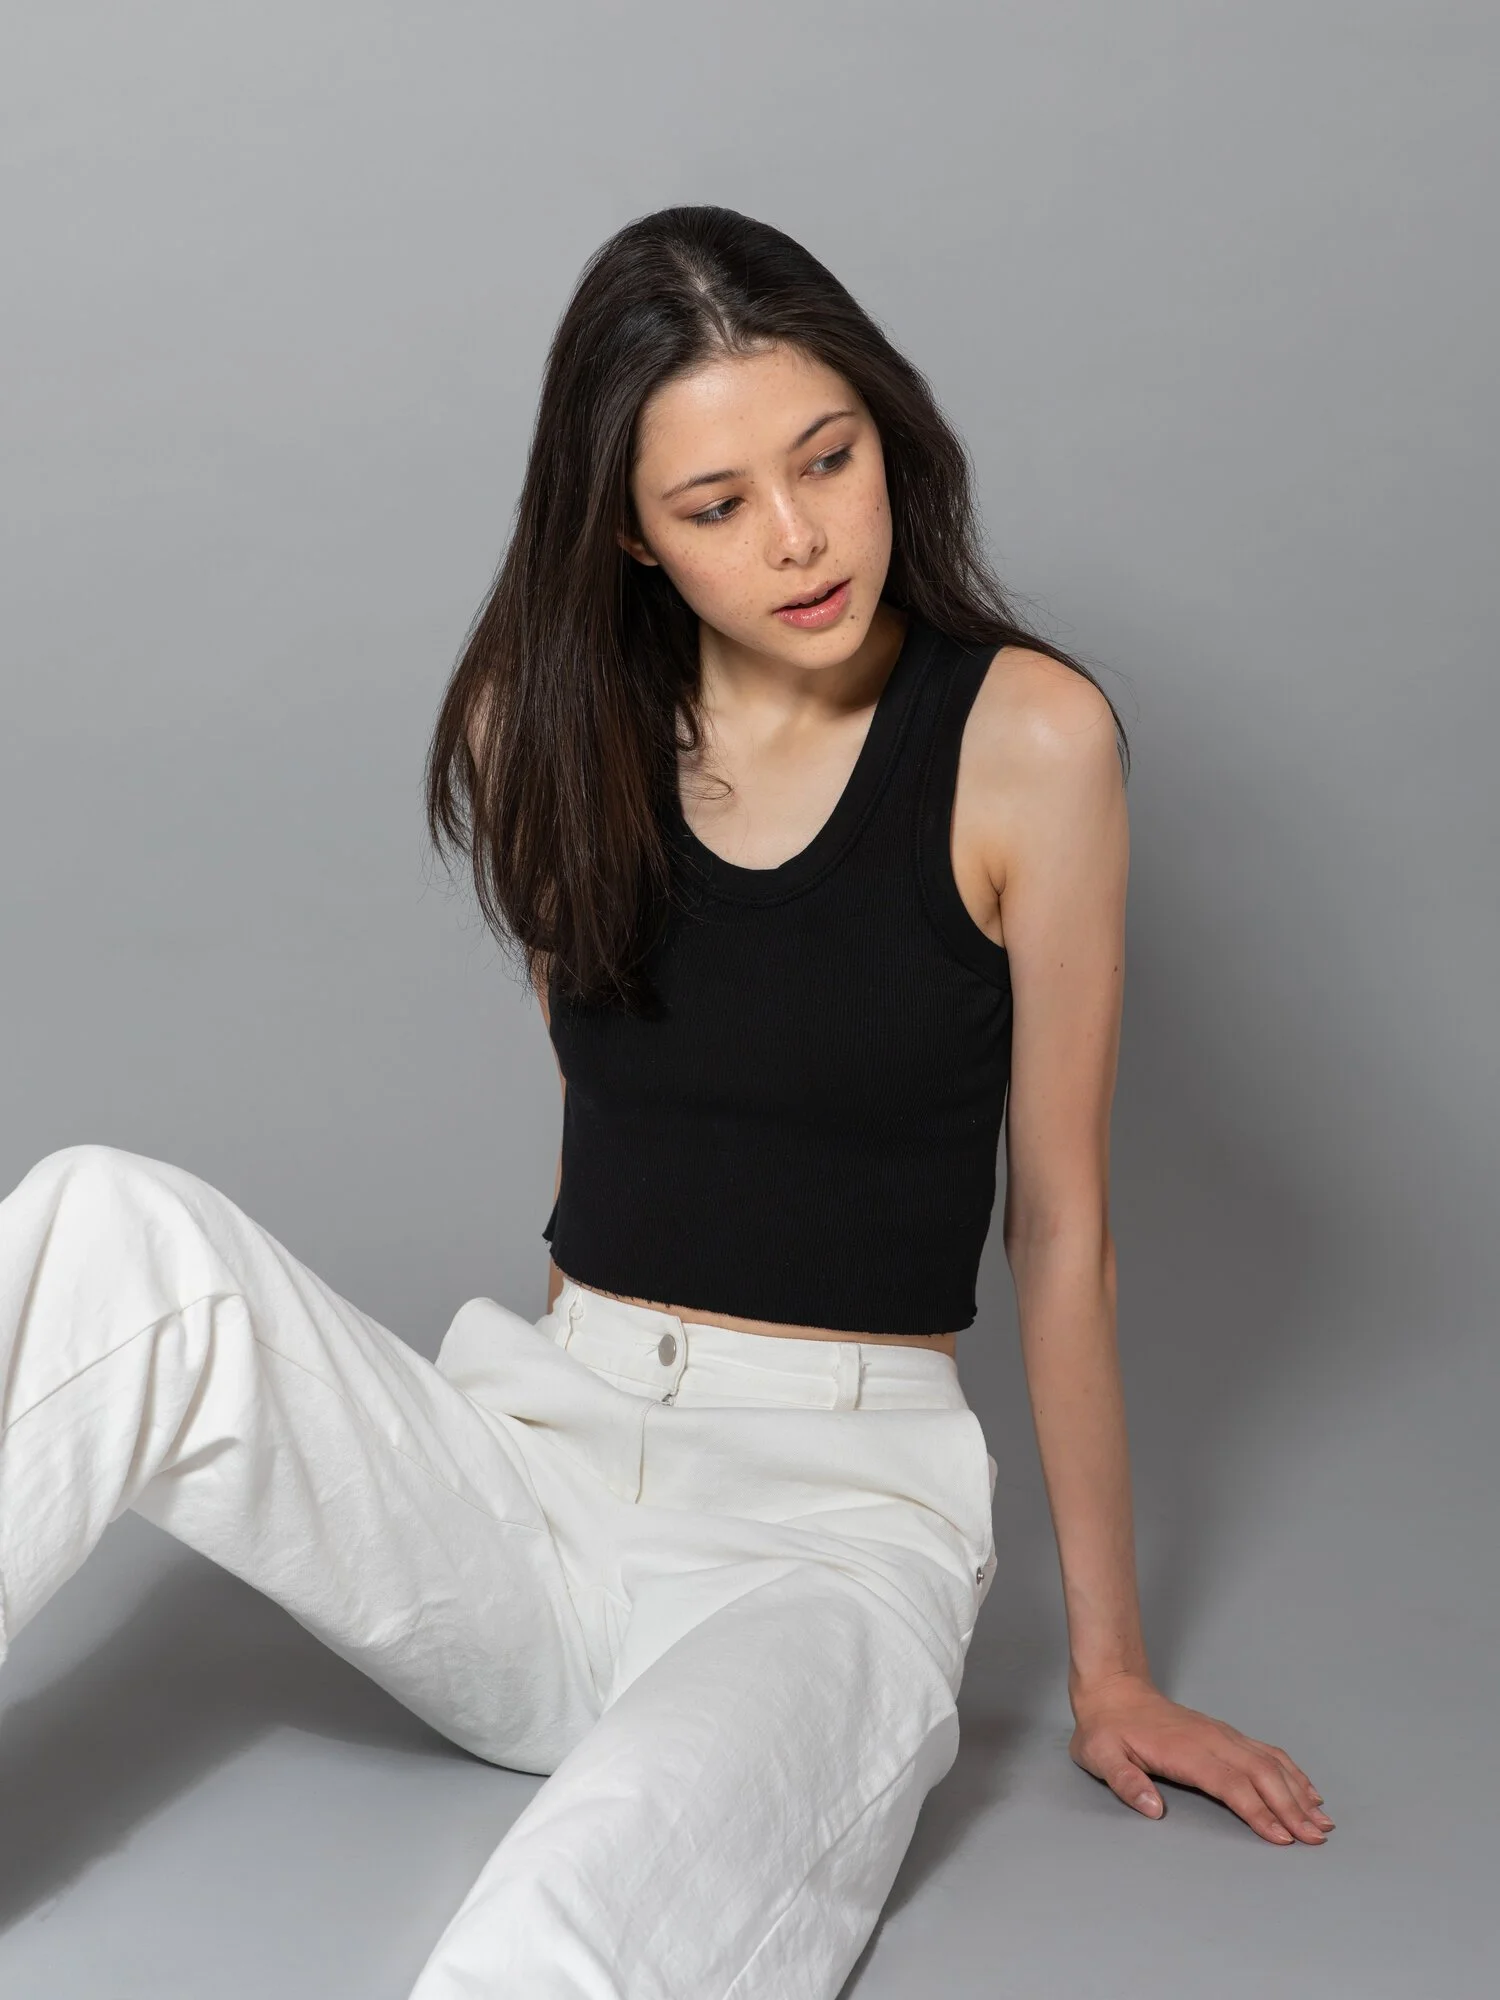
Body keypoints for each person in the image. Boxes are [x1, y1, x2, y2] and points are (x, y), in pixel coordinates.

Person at [0, 205, 1333, 1997]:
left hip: (829, 1538)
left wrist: (1109, 1675)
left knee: (577, 1909)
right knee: (106, 1225)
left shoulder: (1028, 743)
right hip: (538, 1479)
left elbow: (1065, 1224)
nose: (797, 538)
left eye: (828, 460)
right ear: (628, 532)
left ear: (890, 434)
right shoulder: (536, 725)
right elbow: (621, 1105)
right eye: (716, 507)